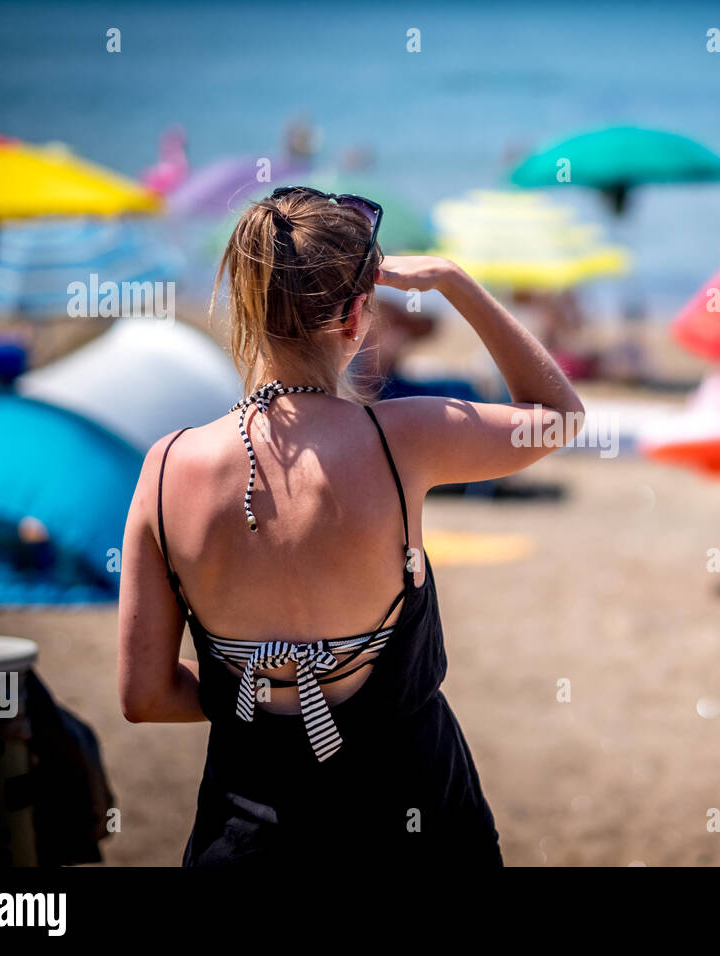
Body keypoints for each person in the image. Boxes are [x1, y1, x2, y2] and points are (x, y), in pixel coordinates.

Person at [116, 186, 584, 866]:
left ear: (247, 304)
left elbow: (144, 695)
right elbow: (559, 416)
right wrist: (456, 283)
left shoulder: (167, 467)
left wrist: (257, 685)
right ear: (357, 314)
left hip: (246, 836)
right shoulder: (403, 439)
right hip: (418, 821)